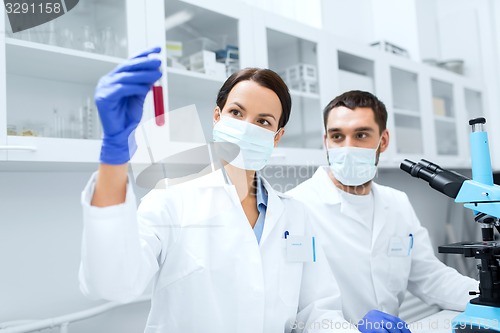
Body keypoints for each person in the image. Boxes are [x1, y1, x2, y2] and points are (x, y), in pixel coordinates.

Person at [78, 47, 360, 333]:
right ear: (217, 117)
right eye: (236, 113)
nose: (247, 127)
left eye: (263, 121)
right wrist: (113, 155)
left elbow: (317, 311)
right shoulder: (173, 194)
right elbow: (114, 282)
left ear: (277, 137)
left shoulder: (295, 215)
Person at [288, 90, 479, 330]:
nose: (348, 147)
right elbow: (301, 309)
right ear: (326, 141)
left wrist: (485, 295)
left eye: (361, 135)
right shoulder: (297, 206)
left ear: (383, 140)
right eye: (337, 136)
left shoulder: (397, 203)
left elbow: (430, 277)